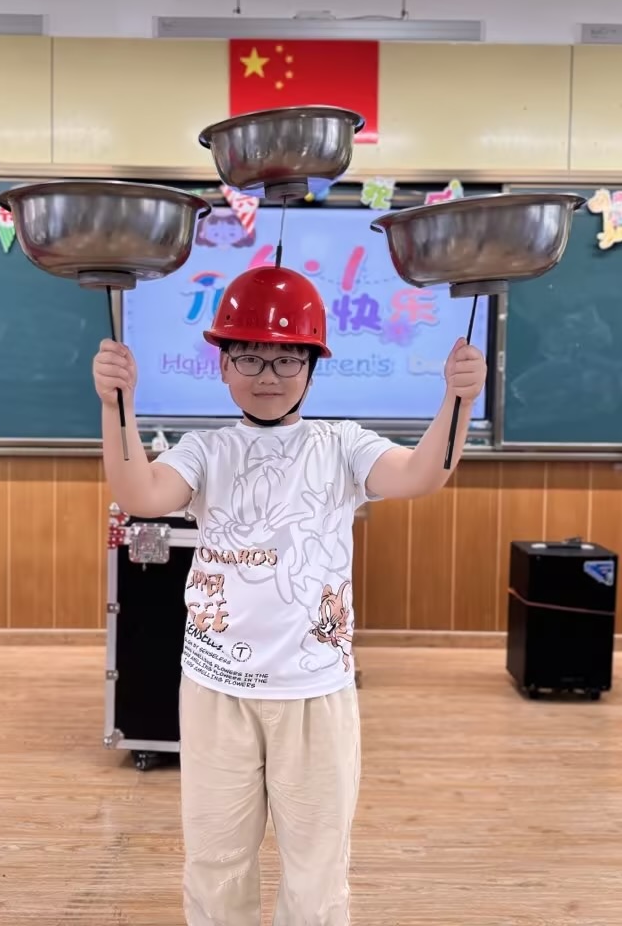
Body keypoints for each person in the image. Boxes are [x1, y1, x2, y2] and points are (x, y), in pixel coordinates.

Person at [93, 264, 486, 925]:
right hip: (217, 688)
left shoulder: (342, 445)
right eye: (249, 357)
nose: (268, 375)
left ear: (311, 367)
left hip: (315, 691)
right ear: (223, 364)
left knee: (317, 870)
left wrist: (458, 399)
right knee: (216, 864)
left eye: (286, 359)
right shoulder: (206, 451)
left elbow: (420, 475)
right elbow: (141, 493)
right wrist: (117, 407)